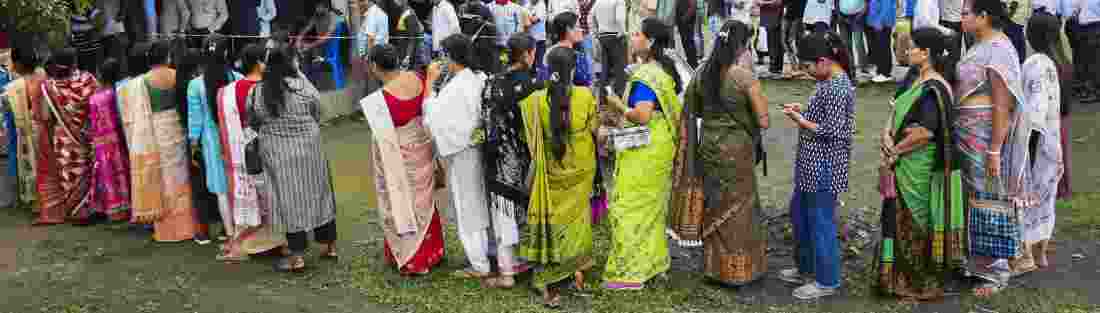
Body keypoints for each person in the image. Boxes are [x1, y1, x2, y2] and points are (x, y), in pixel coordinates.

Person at [872, 27, 964, 301]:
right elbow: (895, 109)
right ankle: (894, 278)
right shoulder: (914, 78)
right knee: (894, 218)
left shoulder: (935, 87)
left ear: (925, 53)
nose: (907, 51)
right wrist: (886, 134)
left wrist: (895, 151)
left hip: (917, 167)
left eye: (912, 47)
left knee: (914, 220)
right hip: (901, 161)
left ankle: (919, 280)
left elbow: (925, 133)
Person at [679, 20, 771, 286]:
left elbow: (692, 109)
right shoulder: (743, 77)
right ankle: (740, 271)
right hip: (738, 151)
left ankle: (715, 268)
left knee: (715, 203)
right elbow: (763, 121)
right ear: (741, 46)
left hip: (709, 149)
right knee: (740, 209)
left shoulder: (701, 73)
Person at [601, 17, 682, 290]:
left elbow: (642, 115)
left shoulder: (646, 76)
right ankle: (655, 265)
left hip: (645, 148)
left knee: (629, 207)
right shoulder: (663, 69)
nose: (632, 37)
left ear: (651, 41)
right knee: (652, 208)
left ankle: (629, 273)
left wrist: (617, 104)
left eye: (637, 33)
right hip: (661, 145)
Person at [956, 0, 1029, 297]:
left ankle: (996, 270)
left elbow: (1002, 103)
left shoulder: (998, 48)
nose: (960, 19)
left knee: (989, 196)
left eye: (965, 13)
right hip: (969, 136)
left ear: (983, 16)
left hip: (985, 138)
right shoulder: (979, 45)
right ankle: (978, 261)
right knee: (975, 197)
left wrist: (995, 150)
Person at [518, 45, 598, 308]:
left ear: (548, 70)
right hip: (581, 171)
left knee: (553, 221)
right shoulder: (585, 95)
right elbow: (595, 130)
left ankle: (550, 277)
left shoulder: (534, 101)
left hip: (550, 173)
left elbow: (529, 139)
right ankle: (575, 269)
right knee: (577, 222)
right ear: (572, 71)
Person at [246, 45, 338, 272]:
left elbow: (253, 120)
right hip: (310, 150)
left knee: (288, 202)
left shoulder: (258, 91)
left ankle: (297, 257)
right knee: (319, 194)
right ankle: (329, 246)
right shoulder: (303, 85)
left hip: (277, 155)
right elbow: (319, 110)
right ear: (291, 63)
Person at [778, 31, 855, 300]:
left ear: (823, 61)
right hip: (810, 164)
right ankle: (806, 267)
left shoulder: (836, 87)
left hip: (824, 165)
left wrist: (800, 120)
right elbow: (823, 115)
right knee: (800, 214)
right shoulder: (826, 81)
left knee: (821, 222)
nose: (807, 72)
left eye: (808, 66)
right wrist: (804, 109)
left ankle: (827, 280)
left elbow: (833, 131)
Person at [360, 44, 445, 275]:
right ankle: (431, 252)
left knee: (401, 201)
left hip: (398, 158)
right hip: (423, 150)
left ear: (374, 66)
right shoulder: (419, 78)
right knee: (423, 202)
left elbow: (381, 140)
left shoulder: (379, 101)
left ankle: (411, 257)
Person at [423, 34, 495, 281]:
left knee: (468, 206)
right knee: (479, 202)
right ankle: (486, 253)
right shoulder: (479, 77)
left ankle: (479, 262)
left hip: (465, 152)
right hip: (481, 148)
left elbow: (432, 119)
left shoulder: (456, 87)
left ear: (450, 56)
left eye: (443, 55)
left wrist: (429, 83)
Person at [118, 40, 199, 241]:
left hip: (154, 130)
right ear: (168, 57)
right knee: (180, 177)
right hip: (176, 127)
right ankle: (185, 226)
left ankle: (165, 229)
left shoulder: (140, 82)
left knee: (162, 178)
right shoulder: (177, 75)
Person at [480, 33, 542, 288]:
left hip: (498, 158)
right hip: (528, 158)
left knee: (503, 215)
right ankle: (525, 263)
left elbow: (485, 120)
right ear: (527, 54)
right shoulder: (534, 84)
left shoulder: (493, 82)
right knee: (529, 211)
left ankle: (508, 268)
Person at [217, 43, 289, 261]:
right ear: (259, 63)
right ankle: (281, 242)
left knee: (251, 200)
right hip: (271, 148)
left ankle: (249, 243)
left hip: (242, 152)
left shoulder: (228, 91)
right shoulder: (272, 88)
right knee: (274, 198)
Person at [1020, 13, 1064, 270]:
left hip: (1036, 141)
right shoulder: (1056, 62)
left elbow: (1035, 111)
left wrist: (1027, 145)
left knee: (1028, 198)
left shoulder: (1034, 64)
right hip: (1053, 141)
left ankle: (1027, 255)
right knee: (1046, 198)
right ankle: (1041, 254)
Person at [34, 48, 97, 225]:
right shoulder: (88, 79)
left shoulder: (49, 87)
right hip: (88, 133)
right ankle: (90, 208)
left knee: (70, 172)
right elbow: (97, 102)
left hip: (64, 137)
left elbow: (46, 117)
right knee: (88, 169)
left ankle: (75, 211)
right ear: (74, 62)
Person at [186, 38, 239, 245]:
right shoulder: (237, 78)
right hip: (235, 138)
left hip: (211, 141)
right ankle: (243, 230)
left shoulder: (195, 85)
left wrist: (193, 144)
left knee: (221, 191)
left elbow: (195, 119)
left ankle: (230, 234)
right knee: (239, 184)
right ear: (225, 54)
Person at [87, 58, 132, 222]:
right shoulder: (116, 93)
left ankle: (111, 209)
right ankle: (126, 207)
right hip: (117, 139)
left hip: (100, 142)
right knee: (121, 172)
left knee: (106, 175)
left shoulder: (94, 97)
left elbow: (93, 122)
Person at [1, 46, 44, 210]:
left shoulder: (16, 86)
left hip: (27, 131)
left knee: (30, 164)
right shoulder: (43, 76)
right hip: (44, 128)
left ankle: (33, 200)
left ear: (18, 64)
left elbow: (6, 105)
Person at [295, 1, 349, 89]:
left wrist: (309, 46)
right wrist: (299, 39)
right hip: (320, 44)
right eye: (316, 7)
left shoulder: (333, 17)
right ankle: (310, 83)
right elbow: (307, 28)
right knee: (304, 54)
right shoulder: (316, 17)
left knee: (312, 55)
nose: (317, 9)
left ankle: (315, 83)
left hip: (332, 46)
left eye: (319, 7)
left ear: (326, 8)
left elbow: (326, 38)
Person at [545, 12, 592, 85]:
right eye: (578, 26)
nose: (581, 30)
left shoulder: (579, 49)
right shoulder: (554, 53)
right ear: (568, 29)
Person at [593, 0, 628, 94]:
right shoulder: (619, 1)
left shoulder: (598, 2)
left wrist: (596, 32)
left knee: (605, 69)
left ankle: (603, 96)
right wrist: (623, 32)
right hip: (616, 36)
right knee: (620, 69)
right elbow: (619, 18)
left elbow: (591, 17)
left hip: (602, 36)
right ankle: (620, 95)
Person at [866, 0, 897, 83]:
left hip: (883, 23)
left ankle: (885, 73)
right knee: (879, 47)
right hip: (876, 22)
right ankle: (880, 70)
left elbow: (886, 6)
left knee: (883, 47)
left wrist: (880, 21)